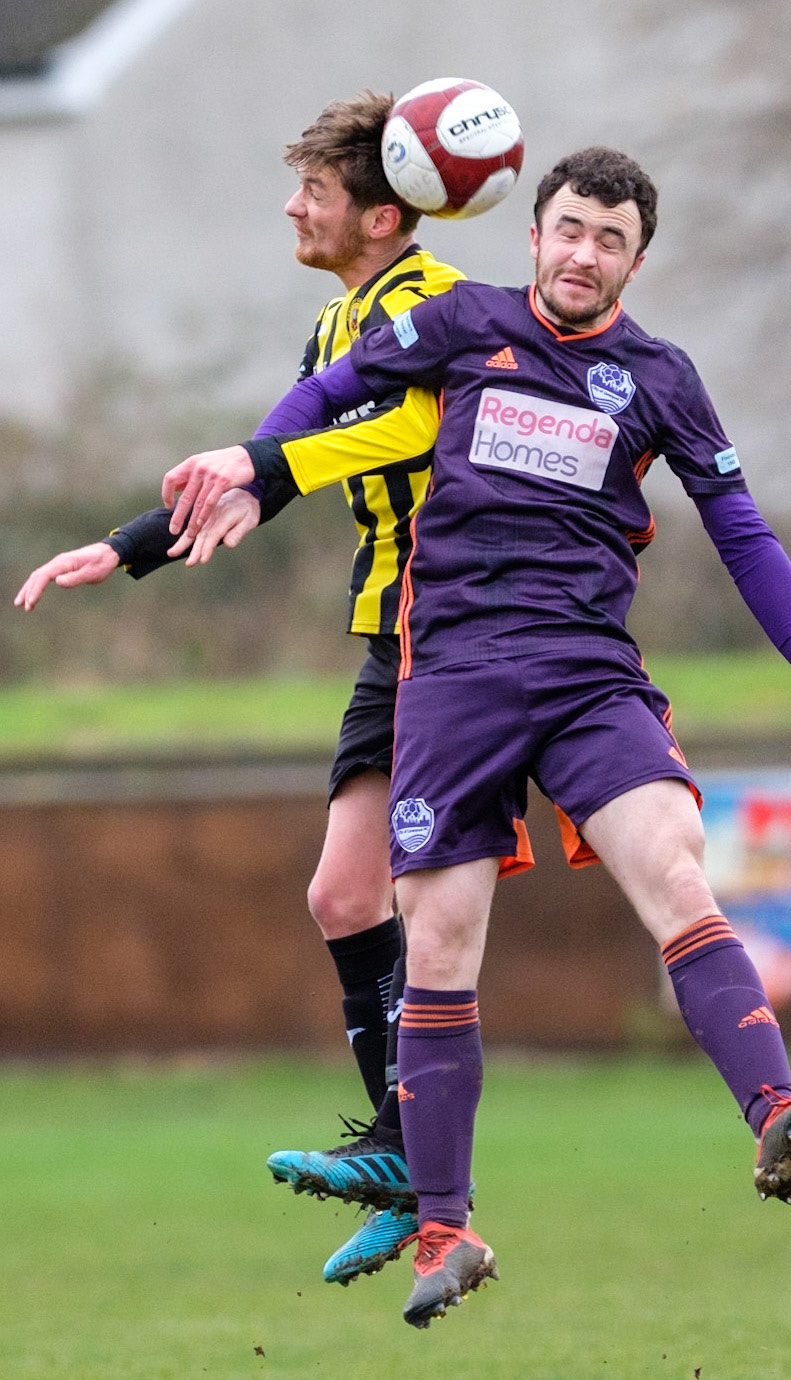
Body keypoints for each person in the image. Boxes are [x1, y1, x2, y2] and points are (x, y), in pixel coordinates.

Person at [160, 145, 791, 1330]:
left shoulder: (658, 376)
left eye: (609, 240)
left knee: (671, 864)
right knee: (441, 941)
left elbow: (743, 529)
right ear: (533, 235)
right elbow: (335, 388)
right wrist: (250, 464)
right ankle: (446, 1234)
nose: (582, 254)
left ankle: (772, 1112)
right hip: (451, 678)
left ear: (634, 260)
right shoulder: (464, 323)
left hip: (585, 674)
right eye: (568, 229)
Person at [13, 89, 468, 1287]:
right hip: (390, 637)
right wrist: (128, 546)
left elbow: (417, 426)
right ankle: (409, 1161)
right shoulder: (336, 328)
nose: (291, 208)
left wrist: (267, 467)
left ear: (381, 215)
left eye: (313, 193)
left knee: (415, 903)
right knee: (338, 896)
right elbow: (259, 465)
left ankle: (429, 1166)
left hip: (467, 638)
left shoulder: (432, 307)